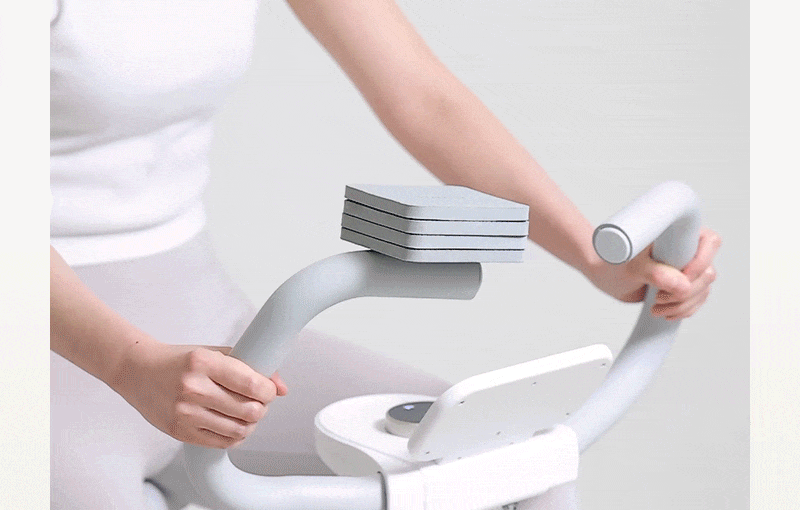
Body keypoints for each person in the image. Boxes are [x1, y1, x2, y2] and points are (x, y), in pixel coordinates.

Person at [50, 1, 722, 509]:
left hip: (206, 317)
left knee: (510, 469)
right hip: (48, 349)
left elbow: (424, 95)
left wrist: (593, 255)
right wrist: (126, 365)